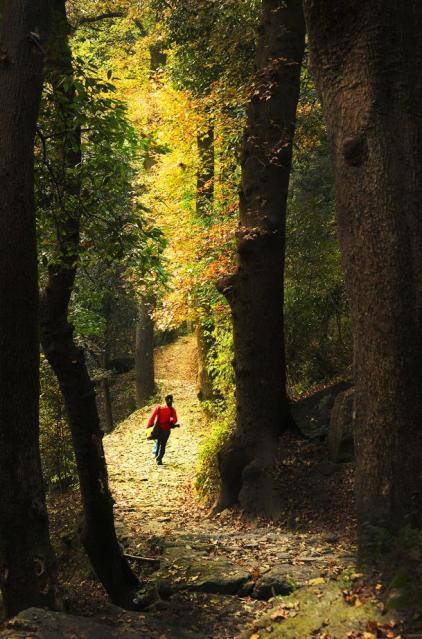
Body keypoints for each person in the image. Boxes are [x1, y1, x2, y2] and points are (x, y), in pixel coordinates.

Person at [146, 394, 178, 465]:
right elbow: (175, 420)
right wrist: (171, 423)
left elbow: (152, 417)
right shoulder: (172, 409)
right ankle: (159, 459)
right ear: (172, 401)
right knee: (163, 444)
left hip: (158, 429)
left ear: (165, 400)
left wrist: (149, 426)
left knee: (158, 442)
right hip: (166, 430)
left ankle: (156, 455)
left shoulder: (159, 407)